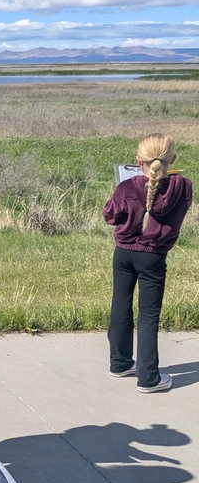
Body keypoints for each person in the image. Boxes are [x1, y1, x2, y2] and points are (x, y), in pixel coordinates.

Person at [105, 133, 192, 393]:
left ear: (137, 160)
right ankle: (148, 377)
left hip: (124, 252)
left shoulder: (127, 186)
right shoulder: (183, 186)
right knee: (148, 316)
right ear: (173, 159)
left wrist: (128, 190)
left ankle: (119, 363)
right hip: (154, 255)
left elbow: (110, 216)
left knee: (120, 305)